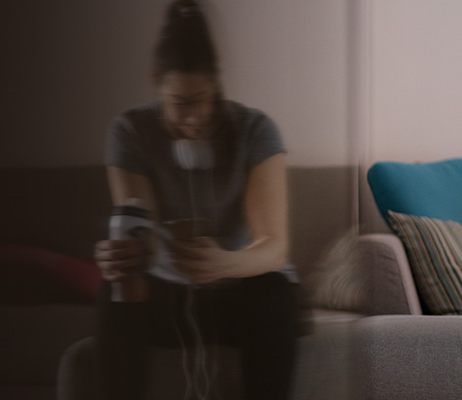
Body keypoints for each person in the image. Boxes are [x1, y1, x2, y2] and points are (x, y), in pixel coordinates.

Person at [93, 1, 299, 399]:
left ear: (217, 86)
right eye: (179, 103)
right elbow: (142, 235)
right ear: (156, 86)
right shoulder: (130, 132)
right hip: (167, 296)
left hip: (239, 291)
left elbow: (274, 248)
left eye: (202, 99)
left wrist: (225, 262)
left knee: (273, 293)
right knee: (114, 291)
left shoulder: (256, 130)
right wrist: (121, 256)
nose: (192, 117)